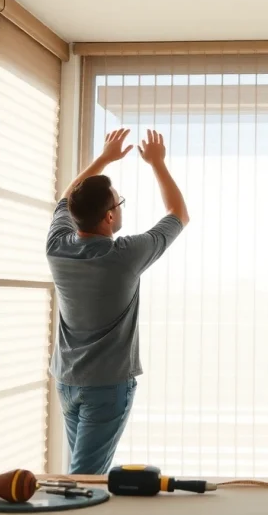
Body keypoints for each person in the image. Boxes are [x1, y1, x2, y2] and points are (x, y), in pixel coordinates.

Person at [46, 127, 189, 474]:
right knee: (85, 479)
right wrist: (157, 163)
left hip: (67, 379)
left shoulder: (57, 247)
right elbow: (178, 213)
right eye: (118, 202)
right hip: (106, 385)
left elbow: (66, 199)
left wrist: (104, 159)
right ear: (110, 216)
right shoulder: (125, 255)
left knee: (80, 473)